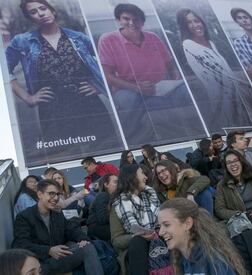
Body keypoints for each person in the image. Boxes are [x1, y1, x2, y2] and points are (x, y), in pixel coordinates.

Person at [6, 0, 122, 158]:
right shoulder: (22, 41)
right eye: (33, 12)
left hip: (88, 102)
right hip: (52, 107)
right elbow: (5, 71)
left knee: (106, 149)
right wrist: (28, 97)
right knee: (63, 155)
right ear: (29, 18)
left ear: (52, 11)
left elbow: (109, 62)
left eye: (43, 8)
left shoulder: (78, 38)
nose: (40, 13)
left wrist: (100, 86)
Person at [98, 3, 196, 145]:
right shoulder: (108, 39)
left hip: (159, 87)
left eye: (136, 19)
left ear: (142, 22)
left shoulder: (153, 37)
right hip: (127, 89)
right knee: (130, 99)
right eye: (126, 18)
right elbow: (108, 76)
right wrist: (137, 87)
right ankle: (130, 141)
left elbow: (170, 64)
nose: (131, 23)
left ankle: (187, 133)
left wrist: (175, 80)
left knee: (188, 91)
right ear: (118, 20)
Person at [176, 8, 252, 131]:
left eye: (196, 21)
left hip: (235, 94)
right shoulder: (188, 45)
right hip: (221, 97)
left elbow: (226, 70)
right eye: (189, 23)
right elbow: (219, 73)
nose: (195, 25)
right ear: (185, 27)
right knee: (233, 131)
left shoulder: (210, 43)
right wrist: (245, 81)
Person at [12, 179, 104, 275]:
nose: (55, 198)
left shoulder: (57, 214)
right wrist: (48, 250)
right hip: (38, 266)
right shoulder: (24, 217)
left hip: (57, 258)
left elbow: (71, 230)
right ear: (40, 194)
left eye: (57, 194)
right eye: (51, 194)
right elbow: (21, 244)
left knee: (87, 246)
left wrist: (82, 239)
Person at [158, 198, 246, 275]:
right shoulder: (180, 260)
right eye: (159, 226)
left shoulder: (213, 259)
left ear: (187, 224)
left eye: (166, 225)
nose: (160, 232)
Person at [110, 163, 160, 275]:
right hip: (135, 250)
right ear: (132, 177)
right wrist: (135, 236)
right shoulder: (118, 205)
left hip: (157, 240)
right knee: (138, 241)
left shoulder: (151, 197)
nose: (146, 177)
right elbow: (116, 240)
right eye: (142, 173)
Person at [87, 174, 118, 241]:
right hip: (97, 230)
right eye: (115, 182)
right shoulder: (103, 195)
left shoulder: (113, 197)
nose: (118, 184)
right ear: (106, 184)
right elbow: (103, 219)